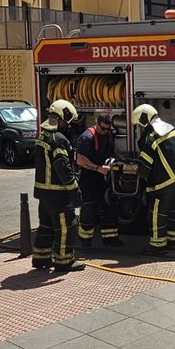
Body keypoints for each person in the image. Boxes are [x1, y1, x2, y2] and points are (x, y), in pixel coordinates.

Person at [132, 103, 175, 255]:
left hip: (164, 184)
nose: (140, 128)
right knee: (173, 212)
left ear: (143, 121)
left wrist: (136, 170)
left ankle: (157, 245)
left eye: (139, 125)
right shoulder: (171, 128)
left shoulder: (150, 138)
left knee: (156, 214)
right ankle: (172, 241)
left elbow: (144, 169)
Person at [32, 99, 83, 271]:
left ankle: (41, 258)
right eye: (67, 122)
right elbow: (63, 168)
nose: (68, 126)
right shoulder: (58, 139)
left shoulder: (44, 135)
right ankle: (64, 262)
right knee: (66, 227)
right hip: (58, 194)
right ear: (62, 118)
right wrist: (75, 190)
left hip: (44, 193)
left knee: (46, 226)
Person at [75, 113, 123, 248]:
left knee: (109, 207)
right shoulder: (87, 137)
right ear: (97, 123)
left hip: (105, 178)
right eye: (103, 128)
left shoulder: (108, 135)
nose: (105, 131)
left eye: (108, 129)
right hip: (89, 179)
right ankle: (85, 240)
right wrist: (98, 168)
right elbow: (80, 160)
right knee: (89, 209)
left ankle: (111, 238)